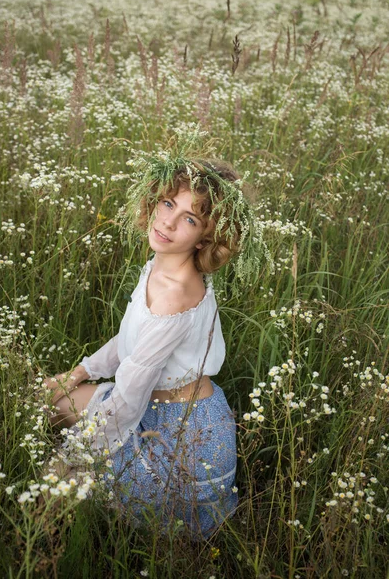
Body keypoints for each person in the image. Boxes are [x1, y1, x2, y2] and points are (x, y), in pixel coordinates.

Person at [43, 153, 262, 539]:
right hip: (157, 406)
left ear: (206, 237)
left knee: (55, 481)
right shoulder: (163, 264)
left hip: (184, 441)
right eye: (167, 203)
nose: (168, 222)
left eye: (189, 219)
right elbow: (130, 338)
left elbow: (127, 402)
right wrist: (76, 374)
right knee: (53, 396)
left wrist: (75, 455)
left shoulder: (177, 293)